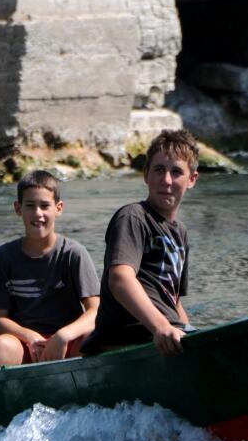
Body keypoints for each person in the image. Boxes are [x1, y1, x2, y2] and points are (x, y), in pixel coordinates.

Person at [83, 129, 200, 356]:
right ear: (145, 175)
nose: (166, 180)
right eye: (158, 170)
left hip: (166, 336)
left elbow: (172, 300)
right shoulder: (134, 217)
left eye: (176, 172)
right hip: (129, 341)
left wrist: (191, 332)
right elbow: (120, 279)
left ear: (192, 179)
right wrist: (161, 327)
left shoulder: (181, 233)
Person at [0, 170, 100, 367]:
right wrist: (29, 337)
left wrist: (63, 336)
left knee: (95, 337)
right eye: (30, 206)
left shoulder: (74, 253)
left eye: (45, 206)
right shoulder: (2, 257)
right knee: (1, 346)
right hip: (23, 342)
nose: (38, 213)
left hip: (66, 341)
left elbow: (95, 310)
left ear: (58, 208)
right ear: (18, 208)